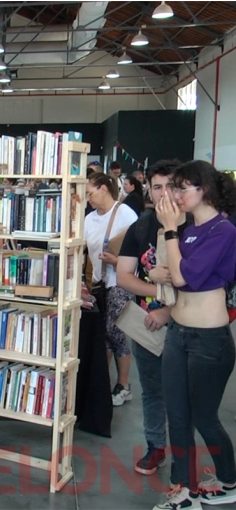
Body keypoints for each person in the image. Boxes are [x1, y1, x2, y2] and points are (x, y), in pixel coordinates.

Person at [152, 161, 236, 510]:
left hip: (208, 339)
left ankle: (230, 480)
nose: (174, 196)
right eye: (174, 188)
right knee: (178, 415)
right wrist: (171, 263)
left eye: (182, 188)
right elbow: (168, 271)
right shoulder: (187, 230)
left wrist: (170, 233)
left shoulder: (223, 230)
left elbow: (184, 277)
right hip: (178, 332)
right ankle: (183, 488)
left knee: (203, 416)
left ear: (206, 190)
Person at [116, 160, 187, 478]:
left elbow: (210, 283)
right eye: (157, 186)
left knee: (185, 393)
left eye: (171, 185)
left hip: (189, 325)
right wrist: (158, 290)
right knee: (152, 389)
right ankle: (155, 446)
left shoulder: (197, 226)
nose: (164, 193)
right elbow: (123, 276)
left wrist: (168, 311)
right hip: (145, 325)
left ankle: (186, 457)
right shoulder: (141, 227)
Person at [84, 172, 138, 406]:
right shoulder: (88, 219)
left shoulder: (125, 214)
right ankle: (103, 383)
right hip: (98, 283)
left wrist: (117, 262)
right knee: (102, 334)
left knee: (115, 331)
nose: (89, 198)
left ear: (104, 188)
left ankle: (124, 384)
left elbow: (138, 252)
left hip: (120, 282)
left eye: (91, 192)